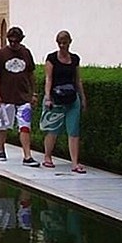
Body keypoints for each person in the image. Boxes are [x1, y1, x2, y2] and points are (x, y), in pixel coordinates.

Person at [40, 30, 88, 173]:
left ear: (69, 42)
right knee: (52, 129)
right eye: (60, 43)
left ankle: (74, 163)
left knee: (73, 130)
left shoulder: (75, 59)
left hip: (72, 98)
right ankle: (47, 156)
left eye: (65, 43)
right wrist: (48, 97)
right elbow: (48, 79)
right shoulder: (51, 58)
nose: (62, 46)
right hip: (55, 98)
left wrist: (83, 97)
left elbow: (77, 79)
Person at [0, 25, 39, 166]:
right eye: (11, 41)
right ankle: (1, 149)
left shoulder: (26, 53)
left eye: (16, 41)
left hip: (23, 97)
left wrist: (34, 92)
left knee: (25, 125)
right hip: (5, 97)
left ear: (21, 40)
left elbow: (31, 74)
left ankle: (27, 155)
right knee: (2, 125)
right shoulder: (1, 54)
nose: (13, 44)